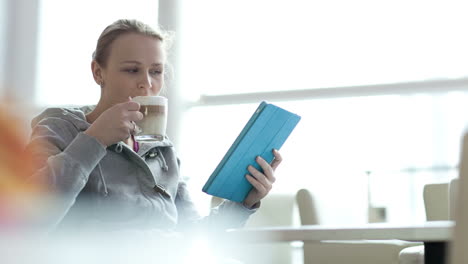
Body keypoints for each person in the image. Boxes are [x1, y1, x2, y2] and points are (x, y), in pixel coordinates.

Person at [25, 19, 282, 233]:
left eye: (156, 71)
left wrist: (243, 203)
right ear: (97, 72)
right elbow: (28, 219)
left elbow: (192, 236)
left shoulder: (162, 150)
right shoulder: (59, 128)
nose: (146, 83)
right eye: (132, 70)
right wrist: (95, 139)